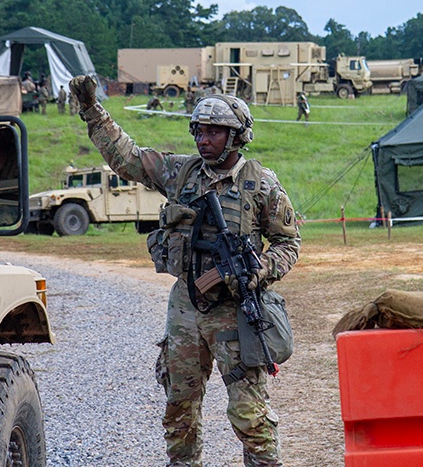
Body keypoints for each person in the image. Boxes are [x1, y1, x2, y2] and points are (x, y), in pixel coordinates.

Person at [69, 74, 300, 467]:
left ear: (236, 136)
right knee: (180, 407)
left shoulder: (261, 185)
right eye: (199, 131)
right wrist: (92, 110)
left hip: (235, 310)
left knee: (249, 413)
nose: (203, 139)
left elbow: (288, 243)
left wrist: (257, 271)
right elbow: (126, 157)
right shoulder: (181, 173)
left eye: (214, 132)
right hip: (186, 307)